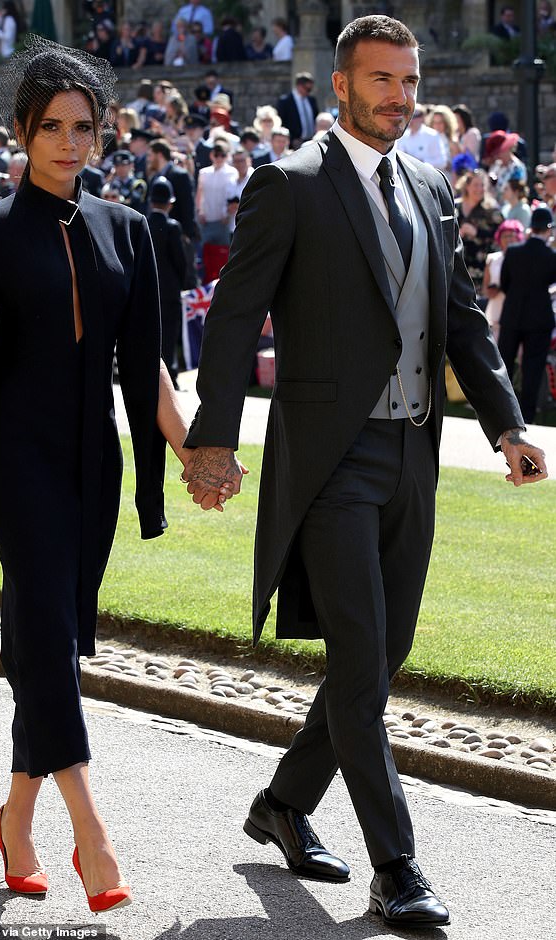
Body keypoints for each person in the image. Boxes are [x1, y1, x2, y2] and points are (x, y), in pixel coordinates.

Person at [182, 14, 547, 930]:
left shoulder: (430, 186)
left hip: (412, 454)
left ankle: (282, 805)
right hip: (329, 460)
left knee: (383, 659)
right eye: (381, 80)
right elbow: (234, 321)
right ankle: (399, 866)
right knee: (357, 660)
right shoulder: (288, 183)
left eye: (409, 81)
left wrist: (507, 426)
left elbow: (462, 318)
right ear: (341, 85)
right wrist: (213, 438)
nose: (399, 96)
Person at [0, 35, 195, 915]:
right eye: (52, 126)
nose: (69, 142)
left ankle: (14, 820)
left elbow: (149, 366)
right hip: (14, 457)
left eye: (84, 127)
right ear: (21, 130)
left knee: (50, 641)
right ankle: (92, 832)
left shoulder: (129, 229)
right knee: (42, 633)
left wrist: (193, 448)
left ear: (101, 133)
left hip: (97, 461)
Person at [498, 206, 556, 423]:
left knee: (504, 366)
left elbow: (505, 284)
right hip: (539, 319)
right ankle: (527, 418)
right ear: (548, 229)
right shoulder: (551, 256)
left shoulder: (513, 252)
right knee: (532, 370)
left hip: (513, 315)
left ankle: (501, 414)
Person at [147, 176, 187, 387]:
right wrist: (182, 282)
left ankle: (149, 370)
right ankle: (169, 375)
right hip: (169, 289)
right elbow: (180, 260)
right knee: (169, 334)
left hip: (148, 288)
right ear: (170, 203)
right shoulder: (172, 227)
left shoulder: (142, 222)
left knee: (150, 331)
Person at [455, 168, 503, 299]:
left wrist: (477, 232)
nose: (480, 189)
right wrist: (457, 234)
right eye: (476, 185)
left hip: (482, 269)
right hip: (458, 266)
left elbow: (501, 234)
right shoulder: (455, 207)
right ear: (467, 186)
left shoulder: (491, 210)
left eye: (483, 185)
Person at [483, 218, 525, 342]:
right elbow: (485, 287)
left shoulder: (523, 259)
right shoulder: (492, 258)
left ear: (518, 237)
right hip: (496, 306)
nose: (508, 239)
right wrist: (491, 291)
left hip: (516, 308)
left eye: (512, 235)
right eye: (505, 236)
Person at [277, 73, 319, 149]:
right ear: (299, 86)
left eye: (310, 89)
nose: (309, 91)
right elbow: (282, 122)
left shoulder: (311, 100)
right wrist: (292, 139)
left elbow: (315, 119)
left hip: (311, 141)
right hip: (294, 143)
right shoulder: (285, 101)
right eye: (307, 89)